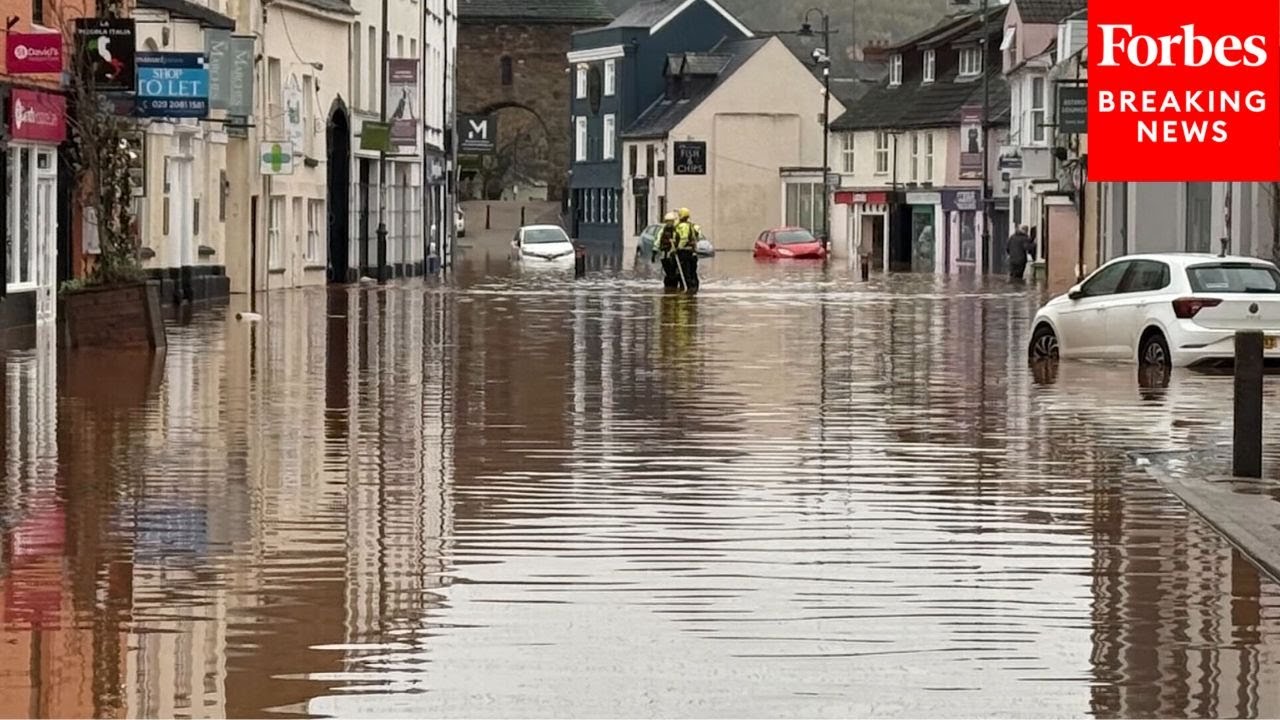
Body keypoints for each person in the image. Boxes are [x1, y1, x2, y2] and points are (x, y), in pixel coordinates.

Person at [673, 207, 701, 291]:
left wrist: (678, 248)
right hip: (691, 252)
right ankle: (693, 290)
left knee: (686, 272)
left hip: (684, 252)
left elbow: (684, 238)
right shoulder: (691, 225)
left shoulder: (683, 226)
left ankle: (688, 289)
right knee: (692, 272)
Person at [654, 211, 683, 288]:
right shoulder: (662, 231)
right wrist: (654, 251)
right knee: (668, 272)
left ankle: (674, 286)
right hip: (665, 254)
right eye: (668, 221)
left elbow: (680, 240)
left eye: (671, 221)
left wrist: (677, 248)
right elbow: (657, 241)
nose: (669, 223)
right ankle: (669, 286)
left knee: (675, 272)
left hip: (674, 254)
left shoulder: (676, 230)